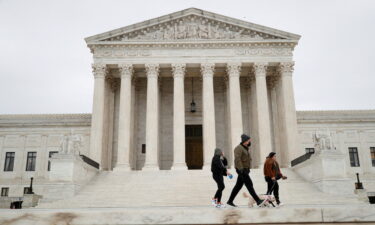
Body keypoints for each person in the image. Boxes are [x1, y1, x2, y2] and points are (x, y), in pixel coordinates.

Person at [227, 134, 266, 207]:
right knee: (249, 185)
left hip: (245, 170)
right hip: (242, 170)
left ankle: (230, 201)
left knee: (238, 186)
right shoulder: (238, 148)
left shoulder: (245, 148)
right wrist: (241, 169)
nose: (249, 142)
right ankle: (258, 200)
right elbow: (237, 159)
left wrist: (247, 169)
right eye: (248, 140)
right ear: (245, 141)